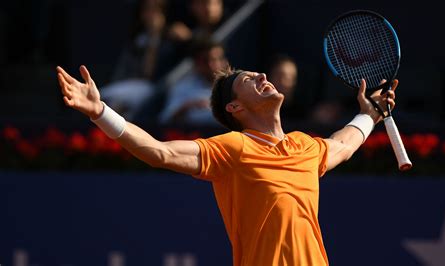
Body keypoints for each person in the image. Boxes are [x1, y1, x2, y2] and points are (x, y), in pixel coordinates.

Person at [56, 64, 397, 265]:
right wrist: (101, 112)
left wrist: (368, 116)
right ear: (235, 108)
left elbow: (342, 145)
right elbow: (159, 151)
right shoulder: (233, 148)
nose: (262, 74)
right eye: (249, 79)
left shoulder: (304, 146)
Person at [99, 0, 178, 120]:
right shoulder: (136, 41)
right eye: (148, 10)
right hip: (131, 88)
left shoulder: (172, 40)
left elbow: (149, 73)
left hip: (156, 89)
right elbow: (121, 74)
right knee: (111, 104)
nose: (152, 15)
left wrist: (154, 35)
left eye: (156, 11)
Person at [159, 38, 227, 124]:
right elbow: (165, 121)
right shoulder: (182, 88)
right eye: (206, 60)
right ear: (196, 63)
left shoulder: (236, 87)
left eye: (219, 59)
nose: (215, 65)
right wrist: (187, 107)